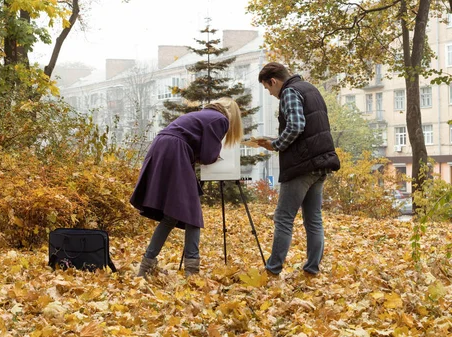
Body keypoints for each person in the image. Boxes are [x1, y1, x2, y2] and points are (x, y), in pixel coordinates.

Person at [130, 97, 244, 278]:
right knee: (192, 213)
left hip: (162, 147)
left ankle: (146, 265)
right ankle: (192, 272)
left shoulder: (204, 114)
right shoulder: (220, 119)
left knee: (171, 216)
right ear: (232, 113)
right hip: (175, 150)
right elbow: (208, 156)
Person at [256, 62, 340, 276]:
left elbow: (295, 126)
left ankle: (273, 269)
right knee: (313, 219)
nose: (271, 94)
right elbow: (308, 127)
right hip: (321, 162)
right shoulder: (311, 89)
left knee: (283, 217)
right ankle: (312, 268)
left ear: (273, 81)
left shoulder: (290, 92)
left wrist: (274, 144)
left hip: (301, 166)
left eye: (268, 89)